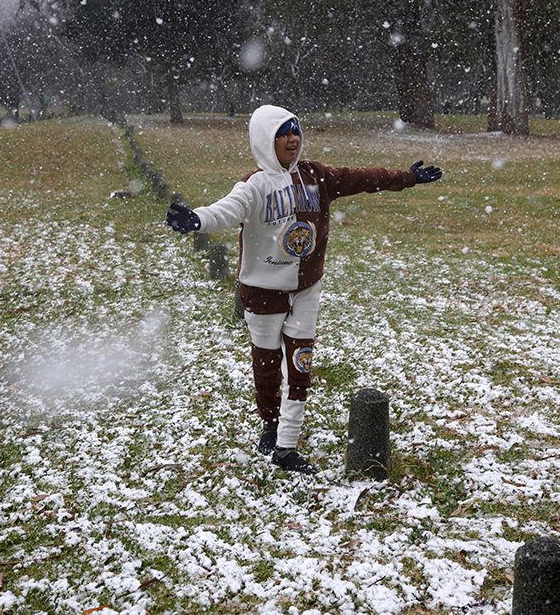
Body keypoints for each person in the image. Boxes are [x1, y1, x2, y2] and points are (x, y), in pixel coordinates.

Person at [166, 105, 443, 474]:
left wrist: (405, 177)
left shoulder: (317, 176)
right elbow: (226, 210)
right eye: (284, 132)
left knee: (300, 364)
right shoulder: (255, 186)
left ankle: (286, 447)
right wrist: (197, 219)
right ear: (266, 140)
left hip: (306, 289)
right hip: (263, 291)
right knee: (266, 367)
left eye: (296, 130)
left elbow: (360, 178)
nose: (293, 139)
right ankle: (270, 425)